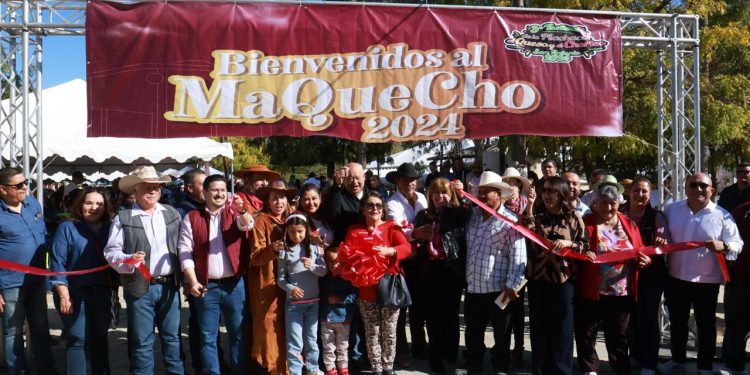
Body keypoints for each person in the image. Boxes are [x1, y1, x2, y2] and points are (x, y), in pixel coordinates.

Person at [103, 165, 184, 374]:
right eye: (147, 187)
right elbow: (111, 252)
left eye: (156, 187)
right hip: (140, 288)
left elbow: (184, 247)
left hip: (169, 286)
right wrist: (129, 259)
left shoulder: (172, 214)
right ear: (135, 191)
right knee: (142, 342)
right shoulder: (123, 217)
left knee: (172, 338)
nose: (152, 191)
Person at [659, 173, 743, 375]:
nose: (698, 189)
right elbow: (661, 232)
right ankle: (677, 360)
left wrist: (724, 245)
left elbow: (737, 244)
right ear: (685, 187)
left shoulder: (722, 215)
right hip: (675, 276)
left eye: (703, 186)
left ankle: (704, 366)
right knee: (677, 323)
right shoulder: (671, 209)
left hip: (707, 280)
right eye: (694, 185)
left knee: (706, 325)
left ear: (711, 190)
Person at [178, 174, 253, 375]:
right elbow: (185, 250)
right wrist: (192, 281)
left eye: (223, 190)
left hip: (234, 285)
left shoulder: (234, 212)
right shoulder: (192, 217)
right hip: (206, 286)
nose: (219, 194)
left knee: (237, 334)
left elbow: (247, 225)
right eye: (214, 190)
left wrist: (243, 209)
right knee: (207, 337)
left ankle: (239, 371)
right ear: (205, 192)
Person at [575, 184, 650, 375]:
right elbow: (576, 247)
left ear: (619, 203)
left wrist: (644, 261)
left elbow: (640, 251)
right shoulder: (587, 222)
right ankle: (589, 368)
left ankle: (620, 367)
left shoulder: (629, 225)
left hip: (621, 290)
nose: (608, 208)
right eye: (604, 203)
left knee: (619, 333)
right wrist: (584, 252)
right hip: (592, 288)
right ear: (596, 203)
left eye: (613, 203)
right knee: (587, 331)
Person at [522, 176, 589, 375]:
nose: (547, 195)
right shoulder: (537, 215)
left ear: (562, 194)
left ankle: (562, 371)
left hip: (563, 281)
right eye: (545, 190)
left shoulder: (574, 218)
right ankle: (540, 370)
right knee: (539, 329)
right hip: (538, 280)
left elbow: (585, 248)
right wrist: (530, 206)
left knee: (563, 331)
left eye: (552, 191)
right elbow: (526, 232)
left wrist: (569, 244)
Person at [463, 171, 527, 374]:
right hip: (473, 287)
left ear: (498, 194)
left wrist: (513, 284)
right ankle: (474, 366)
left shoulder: (510, 220)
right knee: (473, 334)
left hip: (498, 289)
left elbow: (518, 255)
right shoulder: (472, 215)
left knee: (501, 336)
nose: (482, 196)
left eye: (487, 192)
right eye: (480, 192)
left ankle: (500, 366)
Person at [50, 187, 117, 375]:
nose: (94, 207)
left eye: (99, 204)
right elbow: (57, 262)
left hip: (103, 291)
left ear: (106, 207)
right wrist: (63, 295)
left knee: (100, 337)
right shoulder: (67, 227)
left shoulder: (111, 228)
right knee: (77, 339)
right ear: (80, 205)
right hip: (74, 293)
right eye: (89, 203)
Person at [344, 191, 411, 375]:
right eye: (370, 205)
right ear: (363, 209)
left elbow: (407, 248)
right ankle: (376, 368)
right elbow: (348, 256)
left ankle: (388, 367)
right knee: (371, 331)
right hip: (366, 289)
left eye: (378, 205)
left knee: (389, 331)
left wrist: (391, 251)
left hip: (389, 287)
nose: (374, 208)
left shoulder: (392, 228)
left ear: (383, 210)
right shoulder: (354, 230)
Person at [0, 167, 57, 374]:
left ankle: (46, 369)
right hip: (9, 283)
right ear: (3, 189)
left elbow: (43, 234)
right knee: (12, 331)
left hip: (37, 278)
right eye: (18, 185)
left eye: (25, 182)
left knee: (41, 327)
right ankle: (18, 371)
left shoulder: (32, 203)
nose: (25, 187)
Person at [412, 178, 469, 374]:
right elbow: (412, 237)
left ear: (450, 194)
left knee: (450, 318)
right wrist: (416, 234)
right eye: (435, 192)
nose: (440, 196)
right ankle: (435, 359)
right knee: (432, 318)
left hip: (450, 270)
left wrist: (462, 194)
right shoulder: (422, 215)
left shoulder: (457, 214)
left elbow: (470, 212)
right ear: (430, 195)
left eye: (444, 192)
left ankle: (450, 358)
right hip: (428, 271)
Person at [619, 177, 671, 375]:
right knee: (629, 318)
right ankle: (635, 357)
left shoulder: (657, 216)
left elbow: (664, 243)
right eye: (636, 190)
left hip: (651, 275)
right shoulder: (619, 212)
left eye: (644, 191)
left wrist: (659, 243)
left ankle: (649, 363)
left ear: (650, 195)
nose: (640, 195)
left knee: (648, 318)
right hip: (623, 275)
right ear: (629, 192)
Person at [320, 162, 368, 372]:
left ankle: (362, 353)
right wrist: (336, 187)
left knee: (365, 309)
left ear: (364, 178)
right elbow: (330, 211)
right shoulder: (339, 195)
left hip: (368, 261)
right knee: (348, 310)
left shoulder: (372, 198)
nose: (354, 182)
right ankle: (350, 357)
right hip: (343, 261)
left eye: (358, 178)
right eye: (350, 178)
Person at [248, 180, 297, 375]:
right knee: (269, 326)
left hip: (290, 282)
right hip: (267, 283)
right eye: (274, 198)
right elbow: (254, 257)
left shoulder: (291, 220)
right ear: (267, 201)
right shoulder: (261, 221)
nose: (279, 202)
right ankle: (273, 369)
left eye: (282, 197)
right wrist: (272, 249)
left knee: (288, 327)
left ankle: (288, 368)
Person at [385, 162, 429, 365]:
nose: (410, 183)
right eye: (405, 180)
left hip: (421, 259)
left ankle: (420, 346)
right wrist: (417, 233)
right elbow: (397, 231)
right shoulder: (392, 203)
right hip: (402, 260)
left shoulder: (421, 198)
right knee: (401, 307)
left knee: (419, 305)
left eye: (412, 179)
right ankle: (402, 351)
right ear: (397, 182)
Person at [277, 213, 327, 375]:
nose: (296, 235)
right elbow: (281, 279)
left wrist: (312, 265)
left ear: (306, 230)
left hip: (313, 303)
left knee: (312, 340)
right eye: (292, 232)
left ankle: (313, 369)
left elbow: (323, 271)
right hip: (294, 306)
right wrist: (291, 288)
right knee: (295, 342)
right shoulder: (284, 251)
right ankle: (295, 371)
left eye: (300, 231)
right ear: (287, 232)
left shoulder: (314, 248)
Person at [500, 167, 531, 364]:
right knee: (502, 307)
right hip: (502, 261)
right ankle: (502, 344)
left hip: (523, 261)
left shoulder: (527, 204)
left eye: (514, 182)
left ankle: (518, 347)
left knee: (517, 306)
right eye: (508, 182)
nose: (511, 186)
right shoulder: (499, 205)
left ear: (519, 185)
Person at [319, 247, 358, 375]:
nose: (333, 264)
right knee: (328, 348)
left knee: (342, 348)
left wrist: (339, 299)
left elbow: (354, 296)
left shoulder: (348, 277)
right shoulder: (322, 277)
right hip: (326, 318)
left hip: (343, 319)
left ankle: (343, 370)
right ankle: (331, 370)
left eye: (337, 261)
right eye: (330, 261)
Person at [725, 201, 750, 374]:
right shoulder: (741, 209)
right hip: (742, 280)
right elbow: (729, 240)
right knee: (737, 328)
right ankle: (735, 367)